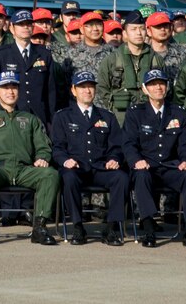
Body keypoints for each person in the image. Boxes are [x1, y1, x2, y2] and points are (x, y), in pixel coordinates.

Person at [0, 71, 59, 246]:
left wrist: (42, 157)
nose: (10, 92)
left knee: (50, 174)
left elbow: (43, 145)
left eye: (14, 87)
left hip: (24, 169)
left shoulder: (30, 119)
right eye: (5, 88)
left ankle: (39, 227)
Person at [122, 69, 186, 248]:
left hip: (170, 166)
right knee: (141, 176)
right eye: (153, 84)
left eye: (161, 83)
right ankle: (149, 230)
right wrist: (136, 160)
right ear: (145, 89)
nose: (158, 87)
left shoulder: (178, 112)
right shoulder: (136, 113)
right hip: (146, 166)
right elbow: (129, 143)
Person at [51, 70, 127, 246]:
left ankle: (112, 227)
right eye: (82, 87)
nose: (87, 90)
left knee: (121, 178)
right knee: (68, 177)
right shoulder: (63, 116)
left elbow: (117, 145)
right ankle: (78, 227)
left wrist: (114, 158)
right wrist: (65, 160)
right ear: (73, 90)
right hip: (76, 168)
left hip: (100, 167)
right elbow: (57, 147)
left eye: (91, 87)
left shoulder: (106, 116)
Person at [0, 10, 56, 126]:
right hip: (11, 117)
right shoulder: (1, 55)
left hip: (39, 117)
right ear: (12, 28)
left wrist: (52, 121)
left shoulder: (44, 54)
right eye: (21, 24)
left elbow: (51, 91)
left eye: (29, 24)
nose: (25, 27)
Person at [97, 11, 165, 124]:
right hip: (121, 118)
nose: (138, 33)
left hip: (149, 117)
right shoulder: (112, 60)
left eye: (142, 29)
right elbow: (102, 88)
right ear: (125, 33)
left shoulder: (156, 59)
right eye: (133, 29)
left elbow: (165, 88)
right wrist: (113, 108)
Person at [146, 11, 186, 86]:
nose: (163, 29)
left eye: (166, 26)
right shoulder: (143, 53)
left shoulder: (183, 52)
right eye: (158, 26)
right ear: (148, 31)